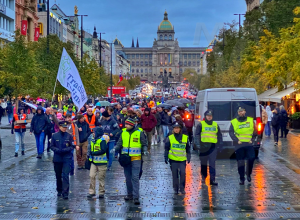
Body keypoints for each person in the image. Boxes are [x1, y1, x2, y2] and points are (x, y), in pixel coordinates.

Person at [111, 118, 148, 205]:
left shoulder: (139, 132)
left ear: (131, 125)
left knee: (135, 177)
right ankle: (129, 194)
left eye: (127, 124)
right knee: (128, 178)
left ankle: (136, 197)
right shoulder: (123, 132)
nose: (125, 126)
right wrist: (115, 149)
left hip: (136, 158)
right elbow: (119, 143)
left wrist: (145, 150)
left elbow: (144, 143)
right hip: (126, 158)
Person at [229, 106, 257, 185]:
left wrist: (253, 139)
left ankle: (248, 173)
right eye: (239, 112)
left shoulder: (250, 120)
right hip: (239, 145)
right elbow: (231, 132)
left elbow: (255, 131)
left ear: (245, 112)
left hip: (249, 144)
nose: (241, 113)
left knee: (251, 158)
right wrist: (236, 140)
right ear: (238, 113)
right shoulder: (234, 122)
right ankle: (242, 178)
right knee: (240, 162)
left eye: (242, 111)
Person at [194, 110, 223, 185]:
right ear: (205, 116)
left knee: (212, 164)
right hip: (203, 147)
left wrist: (220, 145)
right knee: (203, 164)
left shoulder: (215, 124)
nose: (209, 117)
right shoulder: (201, 124)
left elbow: (219, 136)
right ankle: (204, 177)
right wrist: (198, 145)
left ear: (212, 117)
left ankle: (212, 180)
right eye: (208, 116)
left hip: (213, 147)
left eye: (210, 116)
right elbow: (197, 135)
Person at [50, 121, 76, 200]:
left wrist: (65, 150)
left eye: (65, 127)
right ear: (60, 127)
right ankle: (59, 190)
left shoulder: (69, 136)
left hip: (66, 158)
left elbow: (72, 146)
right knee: (58, 176)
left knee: (65, 175)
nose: (64, 128)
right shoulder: (55, 136)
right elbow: (51, 146)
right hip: (57, 158)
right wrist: (57, 150)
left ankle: (65, 192)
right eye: (63, 127)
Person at [164, 122, 191, 194]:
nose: (176, 130)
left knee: (182, 173)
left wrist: (189, 157)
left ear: (180, 129)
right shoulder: (170, 138)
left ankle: (182, 188)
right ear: (173, 129)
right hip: (173, 159)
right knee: (175, 174)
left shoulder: (185, 137)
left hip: (182, 159)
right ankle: (176, 188)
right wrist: (165, 157)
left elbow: (188, 148)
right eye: (175, 128)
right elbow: (166, 148)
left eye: (177, 128)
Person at [87, 127, 109, 199]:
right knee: (92, 176)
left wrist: (94, 153)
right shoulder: (92, 140)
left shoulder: (102, 141)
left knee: (101, 178)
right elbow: (90, 149)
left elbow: (103, 150)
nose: (93, 133)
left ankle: (101, 192)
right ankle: (92, 192)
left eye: (94, 132)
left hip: (102, 162)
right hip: (93, 162)